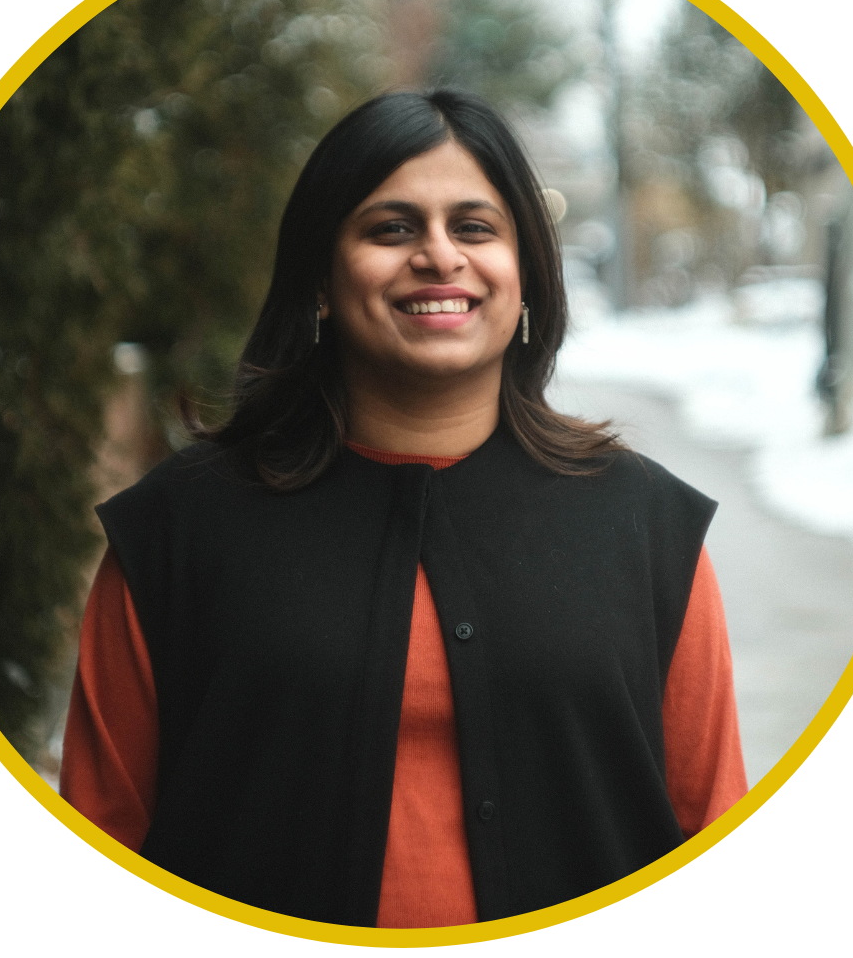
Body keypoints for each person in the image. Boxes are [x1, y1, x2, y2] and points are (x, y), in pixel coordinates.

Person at [61, 89, 747, 928]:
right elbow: (98, 843)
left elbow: (716, 836)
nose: (438, 256)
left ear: (526, 274)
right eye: (391, 229)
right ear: (319, 275)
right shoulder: (176, 531)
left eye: (476, 227)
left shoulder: (648, 528)